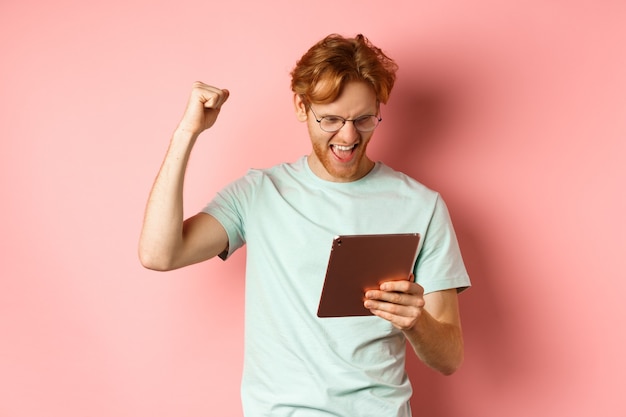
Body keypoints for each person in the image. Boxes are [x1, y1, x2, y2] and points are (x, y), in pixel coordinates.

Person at [139, 33, 470, 416]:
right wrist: (186, 134)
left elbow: (450, 358)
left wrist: (416, 323)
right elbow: (158, 254)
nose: (348, 136)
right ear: (301, 106)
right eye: (330, 119)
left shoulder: (421, 206)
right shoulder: (259, 193)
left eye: (363, 119)